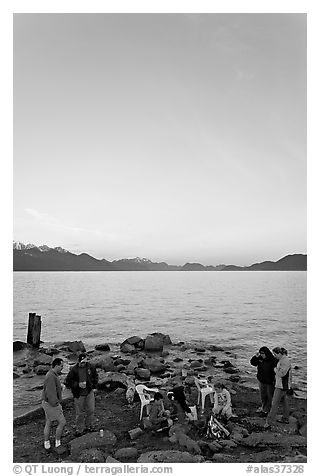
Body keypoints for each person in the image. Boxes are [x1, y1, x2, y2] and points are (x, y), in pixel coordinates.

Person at [65, 353, 98, 436]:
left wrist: (94, 386)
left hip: (89, 392)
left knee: (91, 410)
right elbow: (68, 381)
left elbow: (95, 377)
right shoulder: (74, 370)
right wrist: (77, 384)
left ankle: (89, 426)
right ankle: (79, 429)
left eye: (84, 362)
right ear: (78, 362)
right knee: (79, 413)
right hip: (79, 394)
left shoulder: (91, 367)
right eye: (81, 362)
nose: (83, 364)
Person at [41, 358, 66, 449]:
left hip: (46, 403)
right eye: (61, 366)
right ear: (56, 365)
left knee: (48, 422)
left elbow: (51, 389)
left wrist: (60, 387)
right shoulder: (51, 376)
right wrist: (56, 404)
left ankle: (46, 442)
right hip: (51, 404)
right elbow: (50, 393)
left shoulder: (52, 374)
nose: (62, 368)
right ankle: (57, 441)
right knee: (62, 422)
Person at [264, 347, 292, 428]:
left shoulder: (285, 361)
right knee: (284, 402)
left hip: (281, 386)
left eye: (275, 354)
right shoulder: (283, 360)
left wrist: (275, 370)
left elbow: (281, 374)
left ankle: (269, 422)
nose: (274, 356)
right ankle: (285, 418)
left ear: (279, 353)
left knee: (274, 403)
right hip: (283, 385)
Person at [250, 346, 278, 415]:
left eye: (263, 353)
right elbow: (253, 363)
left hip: (270, 381)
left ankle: (268, 410)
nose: (261, 355)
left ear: (266, 353)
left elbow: (278, 368)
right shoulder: (259, 358)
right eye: (260, 353)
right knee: (263, 395)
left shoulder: (273, 360)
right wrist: (255, 357)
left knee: (269, 396)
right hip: (261, 380)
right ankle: (264, 408)